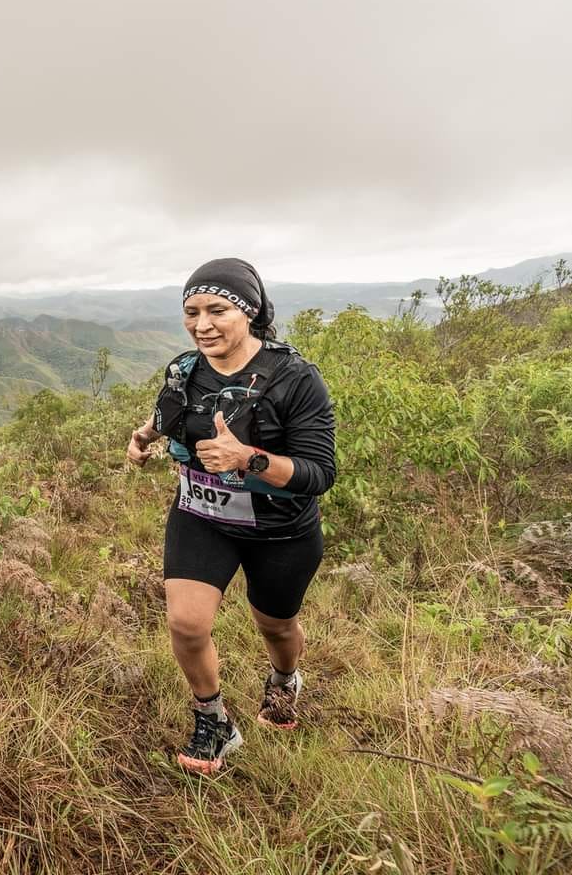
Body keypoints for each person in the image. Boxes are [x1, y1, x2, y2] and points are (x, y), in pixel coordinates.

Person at [126, 258, 336, 774]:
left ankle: (284, 679)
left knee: (277, 627)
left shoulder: (296, 379)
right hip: (202, 514)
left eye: (217, 310)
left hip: (280, 529)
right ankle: (214, 721)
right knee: (186, 622)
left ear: (251, 311)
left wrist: (247, 459)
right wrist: (144, 437)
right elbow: (169, 409)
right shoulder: (184, 369)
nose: (203, 324)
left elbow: (320, 472)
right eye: (192, 312)